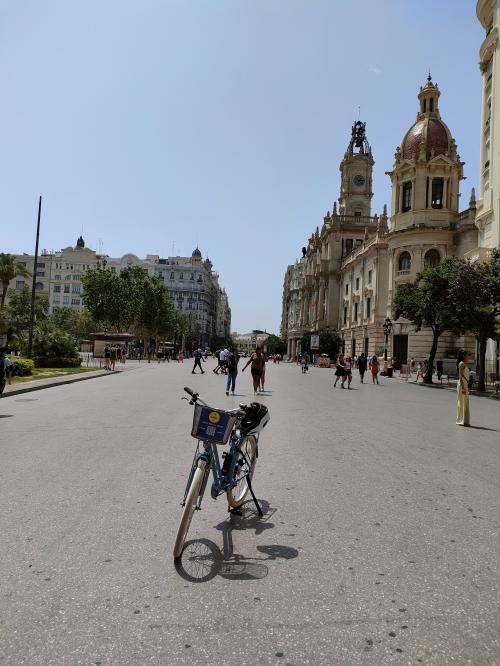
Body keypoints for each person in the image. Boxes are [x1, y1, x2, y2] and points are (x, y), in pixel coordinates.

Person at [456, 350, 471, 426]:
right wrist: (462, 387)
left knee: (465, 402)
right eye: (468, 355)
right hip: (462, 384)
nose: (469, 356)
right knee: (462, 402)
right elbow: (460, 376)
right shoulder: (461, 364)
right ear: (464, 356)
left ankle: (465, 420)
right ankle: (461, 420)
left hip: (465, 383)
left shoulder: (464, 364)